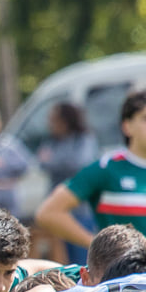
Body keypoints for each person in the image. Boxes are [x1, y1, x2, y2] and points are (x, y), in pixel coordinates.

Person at [36, 85, 146, 270]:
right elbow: (48, 213)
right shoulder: (106, 168)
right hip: (122, 278)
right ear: (127, 126)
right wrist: (98, 246)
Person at [36, 103, 98, 264]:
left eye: (54, 120)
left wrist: (54, 161)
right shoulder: (51, 141)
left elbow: (80, 163)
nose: (50, 125)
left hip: (81, 211)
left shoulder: (84, 139)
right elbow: (41, 162)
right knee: (59, 261)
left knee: (82, 260)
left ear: (66, 121)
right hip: (55, 212)